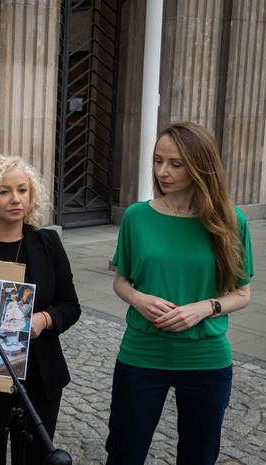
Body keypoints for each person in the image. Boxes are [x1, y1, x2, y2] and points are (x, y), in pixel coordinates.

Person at [105, 121, 253, 465]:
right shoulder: (137, 216)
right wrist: (138, 299)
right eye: (158, 161)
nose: (162, 172)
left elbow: (242, 293)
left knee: (199, 456)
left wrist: (204, 308)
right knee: (124, 453)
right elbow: (121, 280)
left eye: (175, 164)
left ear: (201, 166)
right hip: (142, 354)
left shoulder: (231, 222)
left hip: (206, 358)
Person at [0, 154, 81, 464]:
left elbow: (70, 305)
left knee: (37, 457)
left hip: (40, 374)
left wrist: (44, 319)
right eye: (4, 191)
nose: (16, 199)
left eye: (22, 190)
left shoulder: (48, 243)